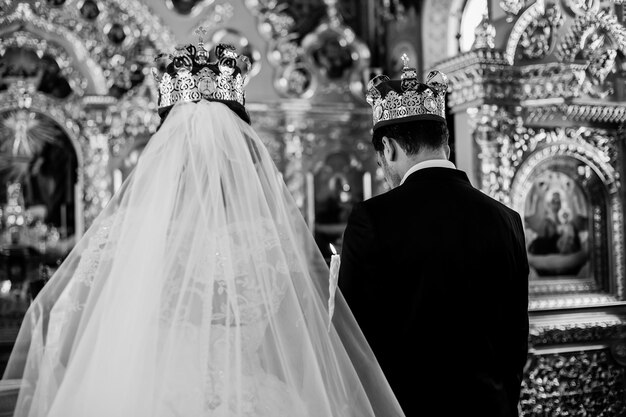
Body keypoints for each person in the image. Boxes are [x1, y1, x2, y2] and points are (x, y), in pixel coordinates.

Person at [2, 41, 405, 417]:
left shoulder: (124, 235)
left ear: (163, 150)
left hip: (147, 398)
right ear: (242, 152)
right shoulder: (269, 240)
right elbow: (299, 346)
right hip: (254, 399)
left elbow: (62, 329)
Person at [338, 58, 530, 417]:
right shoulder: (507, 219)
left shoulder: (372, 220)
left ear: (389, 149)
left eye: (381, 160)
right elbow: (515, 342)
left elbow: (355, 341)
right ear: (446, 144)